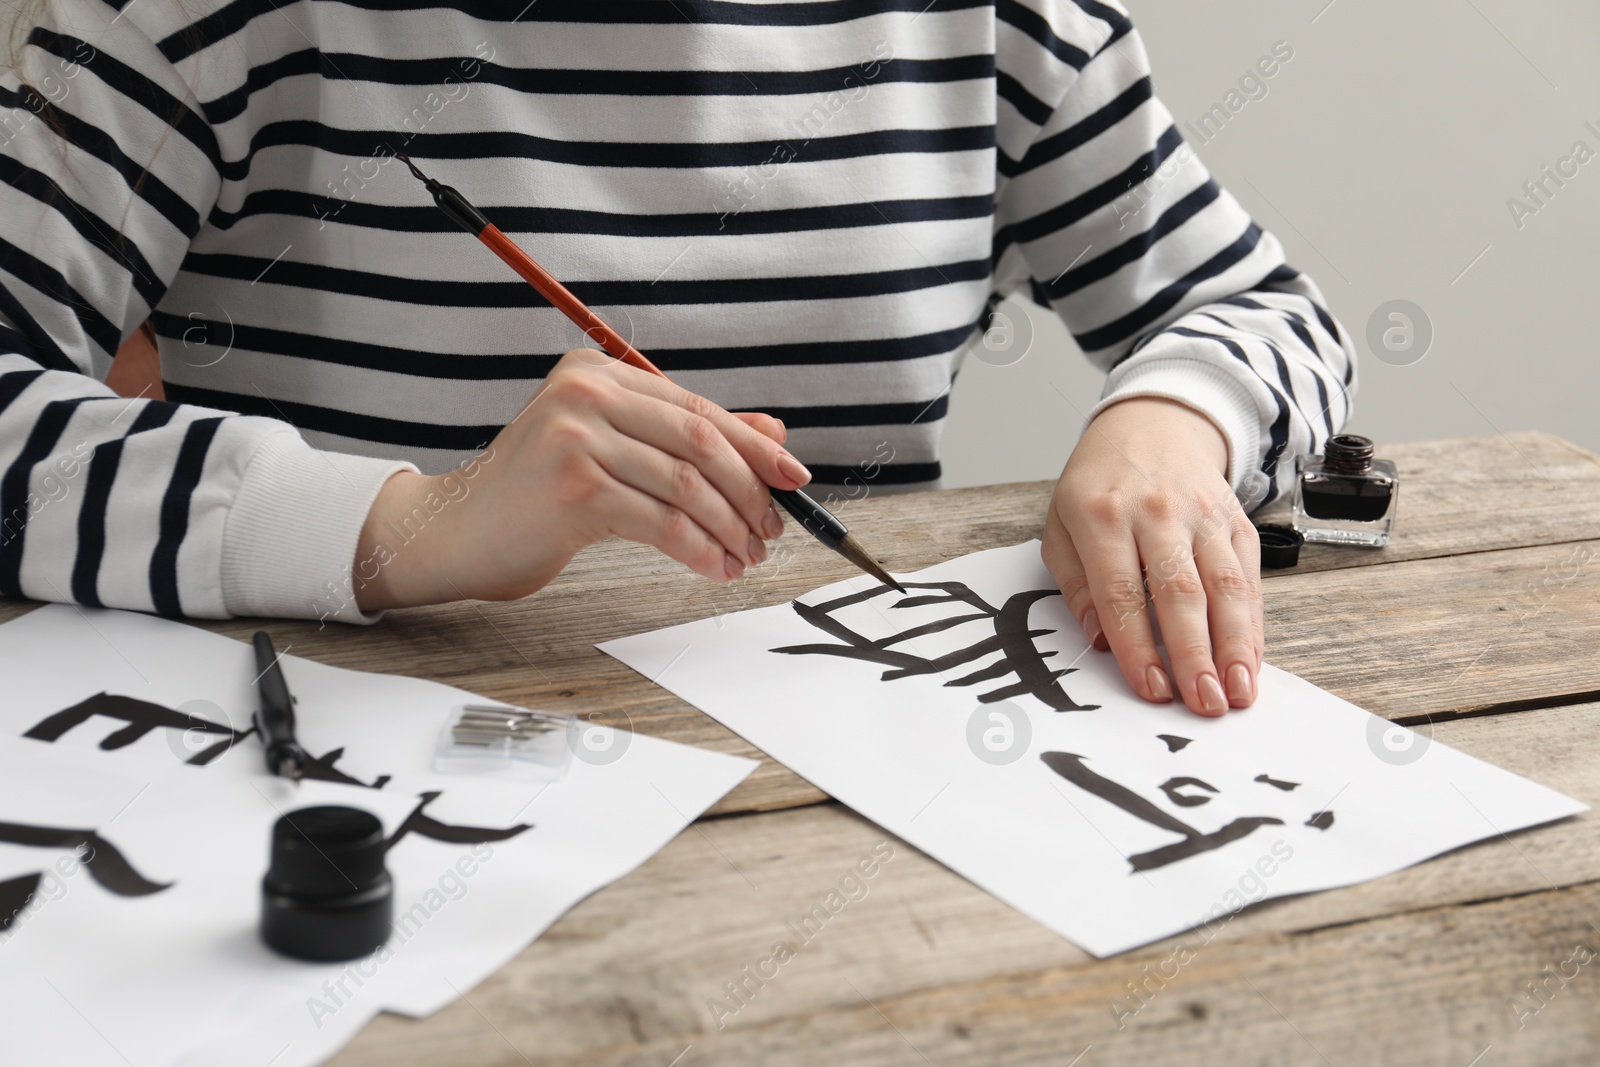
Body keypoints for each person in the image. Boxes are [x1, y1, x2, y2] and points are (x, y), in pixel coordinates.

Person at [0, 1, 1354, 718]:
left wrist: (1168, 434)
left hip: (863, 782)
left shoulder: (1002, 23)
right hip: (345, 781)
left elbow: (1260, 308)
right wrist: (407, 526)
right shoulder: (196, 16)